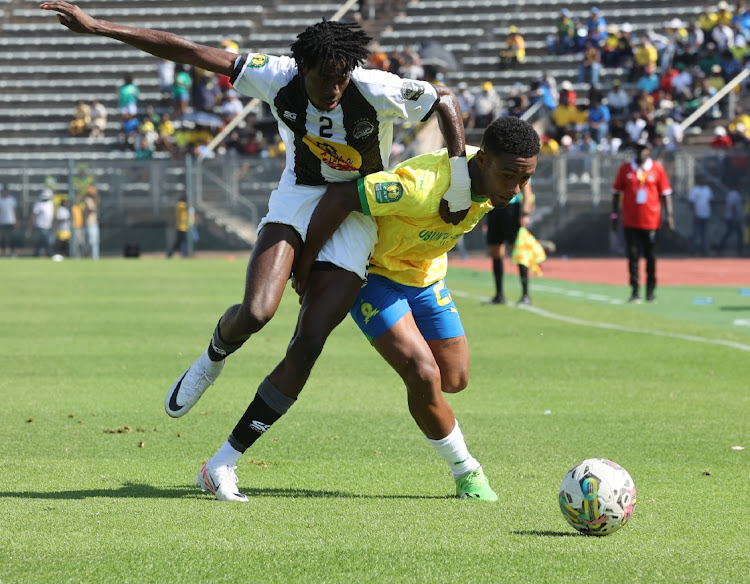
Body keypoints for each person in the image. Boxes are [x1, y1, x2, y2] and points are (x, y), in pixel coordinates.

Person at [41, 1, 473, 501]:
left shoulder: (374, 88)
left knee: (309, 342)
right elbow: (187, 50)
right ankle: (212, 357)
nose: (334, 91)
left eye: (342, 80)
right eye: (325, 79)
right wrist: (98, 27)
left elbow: (444, 99)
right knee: (257, 310)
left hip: (355, 213)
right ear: (303, 66)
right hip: (297, 196)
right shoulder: (277, 76)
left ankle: (223, 463)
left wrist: (459, 178)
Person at [292, 116, 540, 501]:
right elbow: (342, 197)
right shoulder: (418, 186)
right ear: (482, 161)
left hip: (426, 278)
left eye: (525, 180)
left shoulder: (498, 181)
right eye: (509, 176)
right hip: (374, 274)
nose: (516, 188)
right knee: (422, 374)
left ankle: (422, 395)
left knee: (453, 379)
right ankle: (467, 472)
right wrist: (306, 264)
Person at [611, 142, 674, 303]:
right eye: (638, 150)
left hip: (651, 221)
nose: (641, 153)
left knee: (651, 257)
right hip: (630, 221)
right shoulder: (625, 169)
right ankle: (635, 291)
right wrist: (614, 216)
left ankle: (651, 291)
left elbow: (666, 193)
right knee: (632, 257)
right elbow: (616, 194)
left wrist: (669, 216)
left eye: (644, 150)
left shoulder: (657, 169)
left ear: (650, 151)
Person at [485, 181, 536, 305]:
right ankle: (499, 295)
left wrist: (525, 213)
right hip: (493, 207)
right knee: (495, 251)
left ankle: (525, 295)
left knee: (518, 251)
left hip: (512, 209)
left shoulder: (518, 165)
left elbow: (527, 192)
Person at [687, 175, 713, 256]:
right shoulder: (694, 190)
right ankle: (692, 250)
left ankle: (704, 251)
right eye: (701, 179)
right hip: (697, 215)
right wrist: (694, 213)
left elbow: (711, 201)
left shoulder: (707, 189)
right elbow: (692, 203)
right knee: (695, 233)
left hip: (706, 215)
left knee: (704, 234)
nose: (702, 180)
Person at [715, 188, 745, 256]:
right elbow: (733, 207)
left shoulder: (730, 194)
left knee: (731, 233)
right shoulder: (734, 194)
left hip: (732, 218)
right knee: (736, 234)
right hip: (733, 218)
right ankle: (739, 250)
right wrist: (735, 218)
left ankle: (720, 248)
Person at [27, 187, 55, 257]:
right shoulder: (38, 204)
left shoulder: (50, 203)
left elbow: (51, 216)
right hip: (40, 226)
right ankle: (39, 254)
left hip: (48, 227)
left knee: (47, 242)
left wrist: (52, 225)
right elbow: (33, 216)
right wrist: (30, 226)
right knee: (41, 242)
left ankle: (47, 254)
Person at [167, 194, 189, 258]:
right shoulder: (181, 205)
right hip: (181, 227)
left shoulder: (181, 205)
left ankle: (183, 254)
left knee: (181, 242)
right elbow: (183, 207)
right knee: (181, 241)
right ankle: (183, 254)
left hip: (183, 227)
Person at [0, 184, 19, 257]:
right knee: (2, 239)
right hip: (2, 222)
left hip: (11, 222)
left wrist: (17, 221)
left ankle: (13, 252)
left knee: (12, 238)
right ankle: (3, 253)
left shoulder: (12, 199)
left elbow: (15, 211)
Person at [83, 186, 100, 260]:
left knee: (95, 242)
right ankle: (87, 255)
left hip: (94, 223)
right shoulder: (88, 200)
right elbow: (90, 210)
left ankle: (95, 257)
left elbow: (97, 205)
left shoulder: (93, 200)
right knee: (91, 242)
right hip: (89, 223)